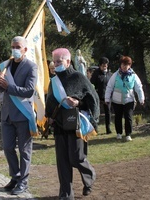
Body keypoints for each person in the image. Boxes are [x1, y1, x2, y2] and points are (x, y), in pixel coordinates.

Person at [45, 48, 98, 199]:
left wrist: (78, 102)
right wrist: (49, 116)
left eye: (59, 61)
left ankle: (89, 175)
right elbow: (50, 102)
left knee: (76, 157)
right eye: (54, 62)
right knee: (62, 162)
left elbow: (92, 98)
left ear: (68, 62)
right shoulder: (53, 81)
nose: (55, 65)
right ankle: (66, 195)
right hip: (60, 125)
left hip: (76, 124)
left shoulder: (79, 77)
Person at [0, 36, 38, 195]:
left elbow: (29, 90)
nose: (15, 49)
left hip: (22, 114)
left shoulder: (31, 67)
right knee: (7, 148)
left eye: (18, 46)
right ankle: (15, 176)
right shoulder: (6, 65)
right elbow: (1, 89)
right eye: (13, 46)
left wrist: (8, 86)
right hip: (7, 114)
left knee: (24, 150)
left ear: (25, 49)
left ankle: (23, 182)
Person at [105, 55, 145, 141]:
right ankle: (119, 133)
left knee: (128, 117)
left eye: (125, 65)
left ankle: (128, 134)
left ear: (129, 66)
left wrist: (141, 99)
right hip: (117, 100)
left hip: (129, 99)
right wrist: (107, 99)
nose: (123, 66)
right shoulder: (115, 75)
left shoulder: (133, 75)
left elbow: (138, 87)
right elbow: (109, 87)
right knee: (118, 117)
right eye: (122, 64)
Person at [91, 57, 113, 134]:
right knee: (96, 113)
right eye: (103, 65)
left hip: (107, 97)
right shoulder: (96, 74)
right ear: (100, 65)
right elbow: (92, 85)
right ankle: (95, 128)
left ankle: (108, 128)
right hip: (97, 96)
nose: (104, 67)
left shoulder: (110, 74)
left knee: (108, 112)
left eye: (106, 65)